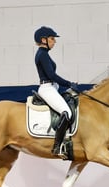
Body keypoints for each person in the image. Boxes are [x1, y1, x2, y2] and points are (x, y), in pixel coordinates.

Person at [34, 26, 79, 157]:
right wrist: (69, 83)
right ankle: (57, 147)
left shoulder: (44, 54)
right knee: (66, 112)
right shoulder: (42, 54)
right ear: (43, 40)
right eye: (52, 38)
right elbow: (52, 75)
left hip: (52, 88)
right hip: (47, 88)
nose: (54, 41)